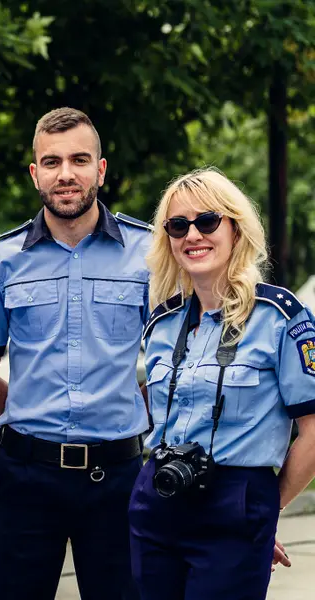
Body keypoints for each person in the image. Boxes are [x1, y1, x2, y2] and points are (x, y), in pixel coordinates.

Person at [0, 107, 149, 600]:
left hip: (119, 477)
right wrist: (29, 416)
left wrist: (134, 407)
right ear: (35, 174)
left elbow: (176, 361)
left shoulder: (149, 253)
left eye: (79, 159)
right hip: (26, 479)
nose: (66, 174)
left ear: (101, 169)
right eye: (51, 162)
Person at [131, 167, 315, 599]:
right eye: (178, 225)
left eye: (208, 221)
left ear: (236, 228)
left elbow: (313, 431)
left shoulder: (280, 317)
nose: (192, 234)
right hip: (159, 496)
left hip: (237, 501)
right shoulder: (162, 322)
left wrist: (266, 511)